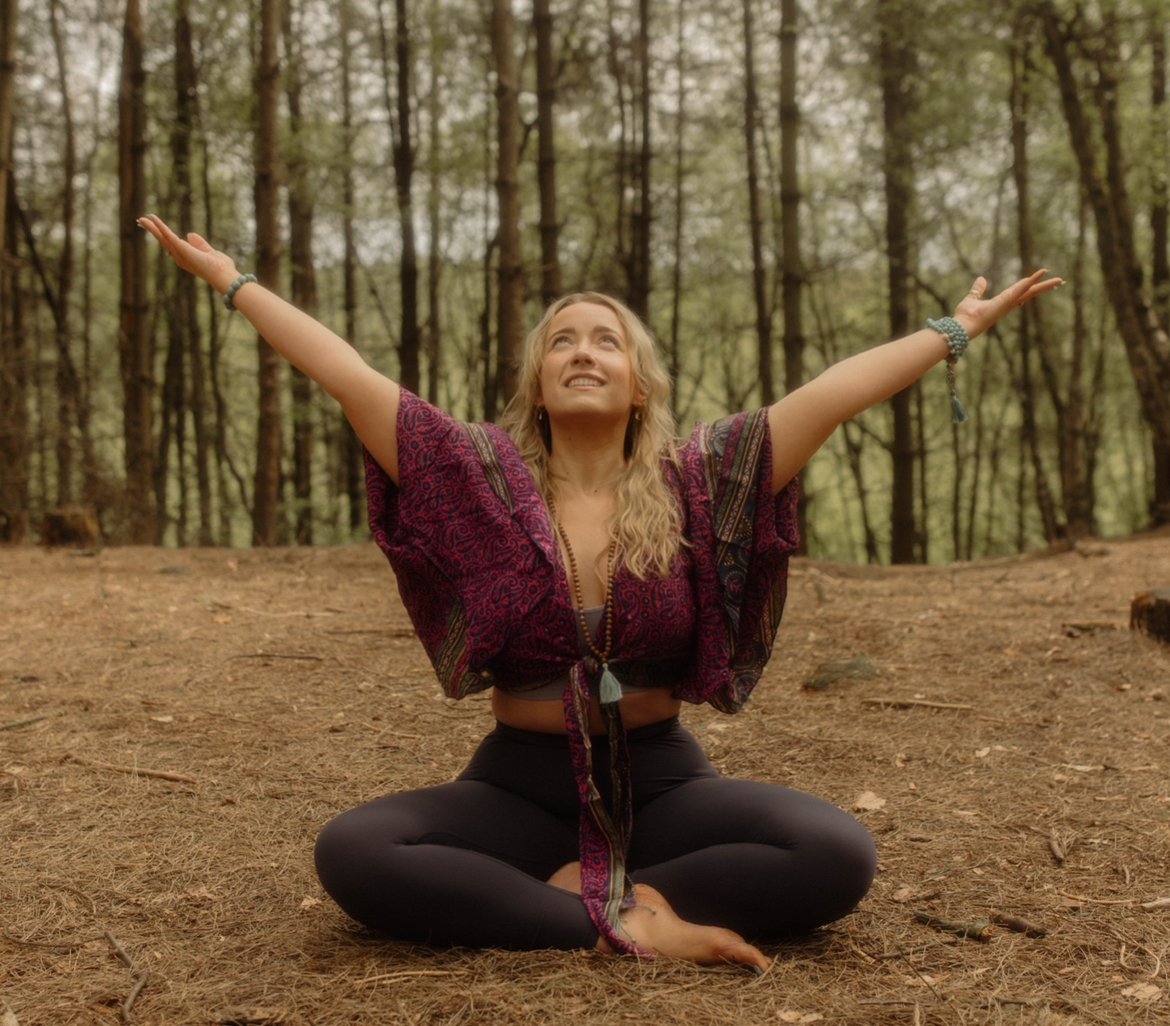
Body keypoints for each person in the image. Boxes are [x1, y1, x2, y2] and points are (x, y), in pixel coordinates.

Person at [138, 213, 1061, 971]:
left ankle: (624, 896)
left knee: (837, 854)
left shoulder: (700, 476)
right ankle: (617, 921)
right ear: (538, 384)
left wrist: (957, 331)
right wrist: (233, 280)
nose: (584, 352)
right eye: (563, 342)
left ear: (638, 380)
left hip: (661, 777)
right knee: (353, 852)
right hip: (518, 783)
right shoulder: (475, 476)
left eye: (606, 341)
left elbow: (829, 395)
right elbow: (343, 371)